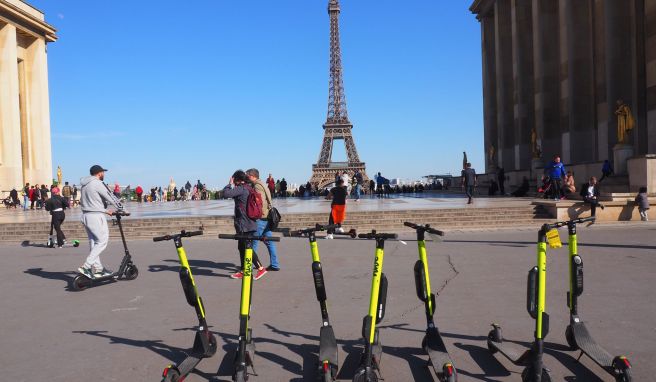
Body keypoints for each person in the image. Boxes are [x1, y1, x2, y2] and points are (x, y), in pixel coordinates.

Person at [77, 165, 122, 279]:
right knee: (102, 241)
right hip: (96, 216)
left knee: (94, 243)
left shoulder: (84, 185)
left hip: (86, 215)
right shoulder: (97, 183)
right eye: (103, 172)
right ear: (99, 173)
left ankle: (98, 269)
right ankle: (86, 266)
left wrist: (105, 210)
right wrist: (123, 209)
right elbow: (110, 197)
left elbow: (90, 201)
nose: (104, 174)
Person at [223, 170, 268, 280]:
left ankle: (261, 268)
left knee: (247, 247)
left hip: (244, 224)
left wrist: (229, 184)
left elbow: (226, 194)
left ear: (237, 179)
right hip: (249, 222)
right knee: (242, 247)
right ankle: (244, 270)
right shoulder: (249, 187)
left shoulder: (242, 188)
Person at [246, 168, 279, 271]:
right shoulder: (263, 184)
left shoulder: (257, 186)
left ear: (252, 176)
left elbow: (260, 202)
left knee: (253, 242)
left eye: (247, 175)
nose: (246, 177)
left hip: (262, 218)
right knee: (269, 242)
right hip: (267, 217)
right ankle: (274, 264)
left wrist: (257, 215)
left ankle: (249, 267)